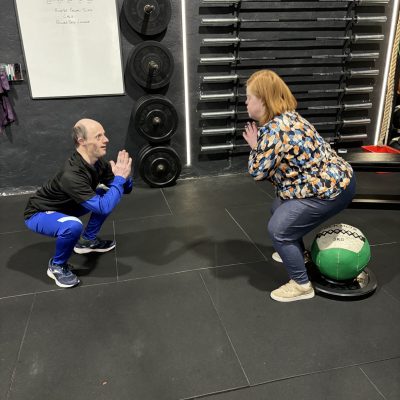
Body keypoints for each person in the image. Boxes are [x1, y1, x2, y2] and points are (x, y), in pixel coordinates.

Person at [242, 70, 356, 302]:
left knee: (279, 229)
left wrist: (254, 146)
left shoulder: (276, 130)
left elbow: (257, 172)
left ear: (262, 101)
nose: (246, 102)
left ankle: (301, 285)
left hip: (333, 189)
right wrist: (259, 145)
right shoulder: (285, 117)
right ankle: (300, 255)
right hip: (334, 180)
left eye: (249, 97)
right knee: (277, 208)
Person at [24, 118, 133, 288]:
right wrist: (119, 179)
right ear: (82, 142)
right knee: (73, 226)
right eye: (98, 136)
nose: (106, 139)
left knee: (107, 194)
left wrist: (124, 176)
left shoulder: (98, 164)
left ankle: (87, 241)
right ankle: (57, 266)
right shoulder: (72, 174)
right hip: (40, 213)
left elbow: (122, 189)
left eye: (104, 134)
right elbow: (104, 206)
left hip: (68, 206)